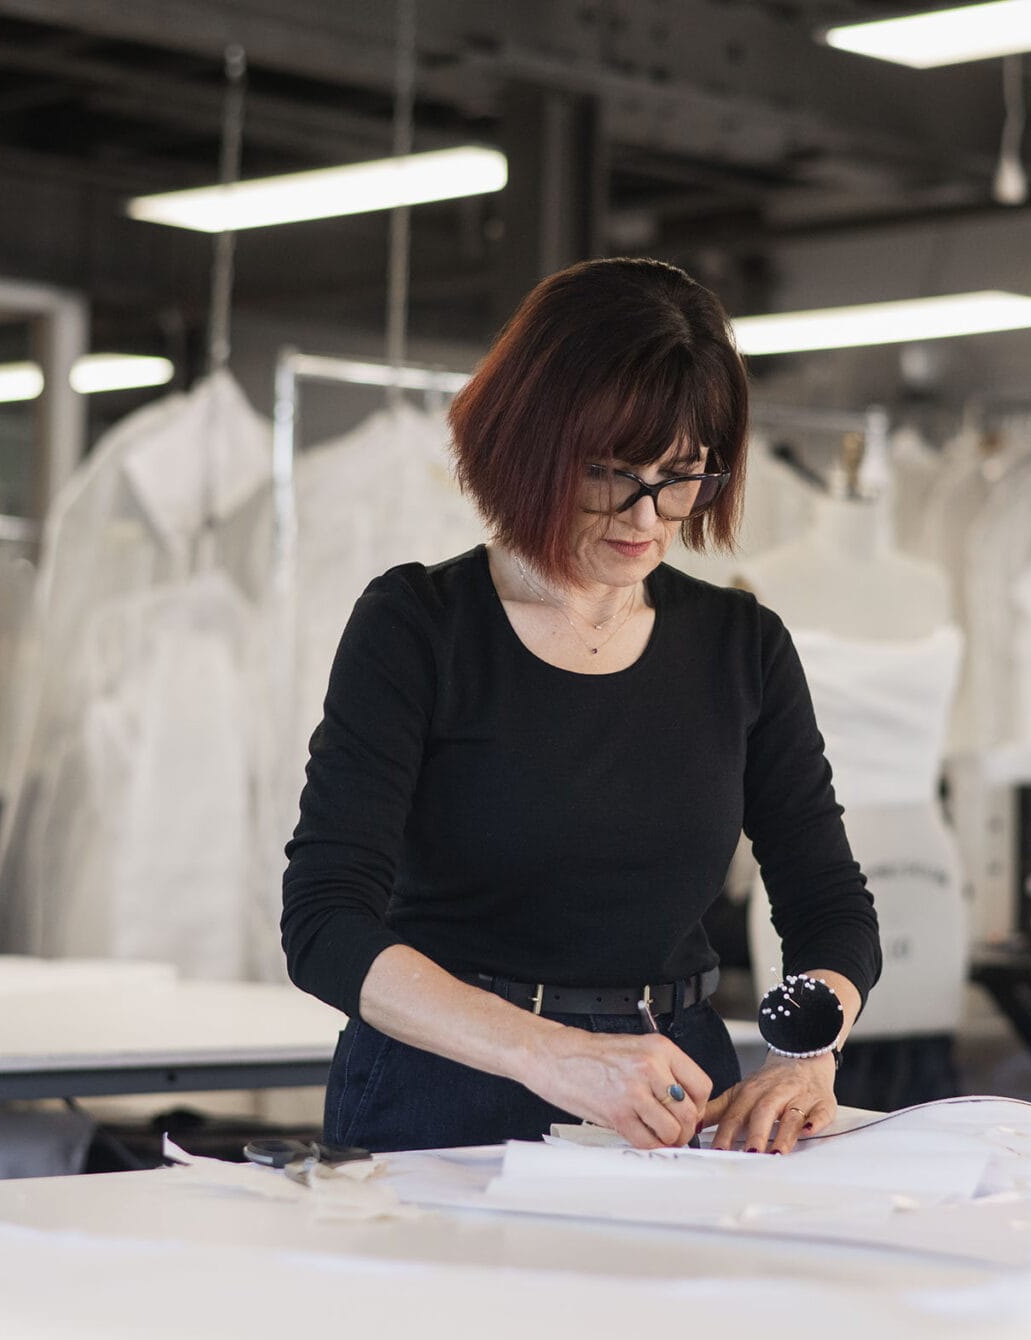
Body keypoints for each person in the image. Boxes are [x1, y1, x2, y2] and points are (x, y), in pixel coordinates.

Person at [281, 257, 881, 1154]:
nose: (647, 516)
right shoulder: (418, 628)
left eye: (681, 475)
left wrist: (808, 1054)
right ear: (527, 445)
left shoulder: (740, 645)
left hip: (676, 1099)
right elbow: (325, 922)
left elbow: (829, 902)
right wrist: (554, 1054)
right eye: (611, 473)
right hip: (443, 1093)